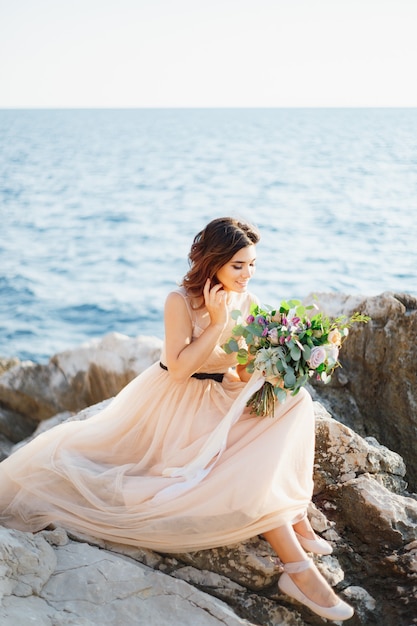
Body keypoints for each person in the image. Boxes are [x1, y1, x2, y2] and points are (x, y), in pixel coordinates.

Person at [0, 217, 354, 621]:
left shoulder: (248, 301)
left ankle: (293, 509)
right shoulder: (180, 300)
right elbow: (182, 368)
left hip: (221, 392)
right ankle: (296, 568)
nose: (247, 274)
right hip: (176, 400)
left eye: (252, 264)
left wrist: (271, 367)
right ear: (214, 262)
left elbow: (236, 370)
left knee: (296, 402)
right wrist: (218, 323)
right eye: (238, 265)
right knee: (230, 468)